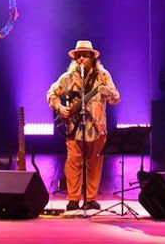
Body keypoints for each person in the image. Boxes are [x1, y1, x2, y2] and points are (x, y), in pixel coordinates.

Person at [46, 40, 120, 211]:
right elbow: (51, 93)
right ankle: (73, 199)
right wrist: (60, 107)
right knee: (73, 162)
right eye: (78, 56)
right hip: (74, 127)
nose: (81, 59)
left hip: (97, 127)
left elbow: (116, 98)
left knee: (95, 164)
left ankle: (91, 198)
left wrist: (108, 93)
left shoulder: (103, 76)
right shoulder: (67, 77)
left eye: (84, 56)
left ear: (92, 58)